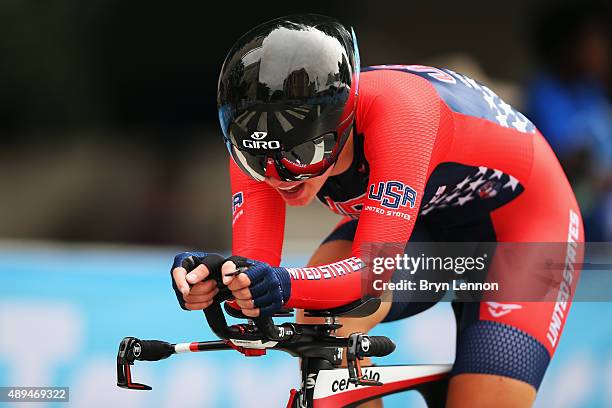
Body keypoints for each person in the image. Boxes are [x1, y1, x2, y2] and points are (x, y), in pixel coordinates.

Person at [171, 15, 583, 407]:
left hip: (525, 227)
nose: (280, 176)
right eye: (258, 161)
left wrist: (277, 285)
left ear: (345, 120)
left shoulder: (402, 114)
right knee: (322, 312)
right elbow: (256, 281)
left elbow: (371, 272)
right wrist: (221, 282)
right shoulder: (257, 144)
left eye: (303, 153)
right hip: (428, 222)